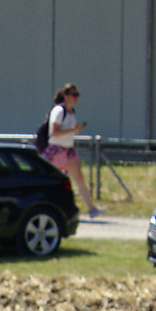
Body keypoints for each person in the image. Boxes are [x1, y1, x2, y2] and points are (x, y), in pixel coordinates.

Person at [44, 84, 103, 220]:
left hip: (68, 150)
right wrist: (74, 130)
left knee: (79, 179)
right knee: (49, 180)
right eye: (74, 95)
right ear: (66, 96)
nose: (76, 98)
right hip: (56, 151)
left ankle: (91, 209)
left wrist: (74, 129)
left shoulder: (71, 112)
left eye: (77, 95)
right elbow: (54, 132)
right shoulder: (59, 110)